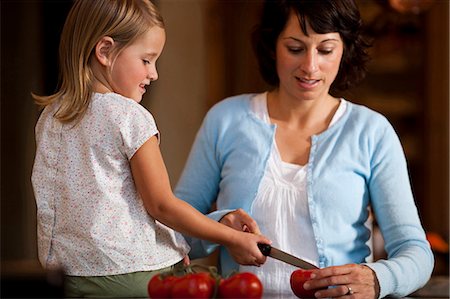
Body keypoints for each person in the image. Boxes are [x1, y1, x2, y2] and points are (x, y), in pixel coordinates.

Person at [175, 0, 434, 298]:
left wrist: (378, 279)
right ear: (272, 46)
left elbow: (416, 252)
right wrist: (219, 225)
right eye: (295, 48)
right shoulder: (226, 120)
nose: (310, 66)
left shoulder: (372, 132)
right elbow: (176, 234)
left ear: (344, 50)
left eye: (325, 50)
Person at [30, 0, 270, 297]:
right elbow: (161, 205)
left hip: (69, 278)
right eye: (146, 60)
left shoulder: (51, 117)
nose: (153, 73)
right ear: (104, 51)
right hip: (133, 278)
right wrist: (231, 238)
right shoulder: (129, 116)